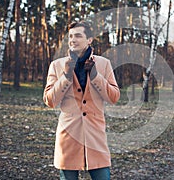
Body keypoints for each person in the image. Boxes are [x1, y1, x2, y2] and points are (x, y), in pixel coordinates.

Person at [43, 21, 120, 180]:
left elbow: (114, 97)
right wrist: (66, 76)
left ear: (89, 39)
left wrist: (95, 76)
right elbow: (50, 100)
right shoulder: (57, 65)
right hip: (68, 136)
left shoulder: (104, 64)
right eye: (70, 36)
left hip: (95, 136)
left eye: (78, 36)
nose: (73, 40)